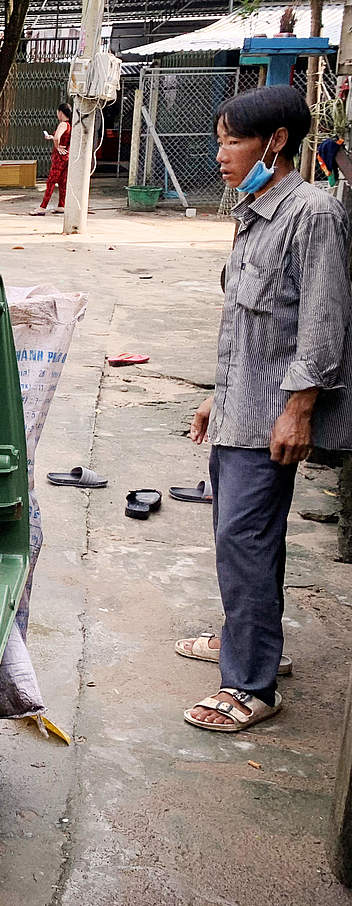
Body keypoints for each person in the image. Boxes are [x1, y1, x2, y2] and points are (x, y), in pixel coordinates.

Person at [176, 86, 352, 732]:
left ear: (275, 141)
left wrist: (300, 408)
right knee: (244, 541)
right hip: (239, 407)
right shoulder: (253, 212)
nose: (221, 154)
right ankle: (247, 643)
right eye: (219, 139)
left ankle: (251, 682)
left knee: (243, 540)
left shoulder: (313, 215)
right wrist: (216, 396)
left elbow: (322, 326)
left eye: (233, 141)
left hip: (271, 416)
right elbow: (251, 325)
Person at [32, 103, 72, 216]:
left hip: (59, 158)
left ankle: (42, 207)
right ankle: (61, 205)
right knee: (62, 182)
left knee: (51, 182)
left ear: (60, 112)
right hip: (66, 157)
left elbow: (57, 138)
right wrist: (52, 137)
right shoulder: (69, 125)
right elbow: (59, 138)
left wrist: (57, 146)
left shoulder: (63, 124)